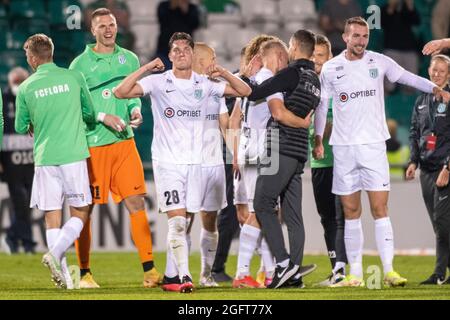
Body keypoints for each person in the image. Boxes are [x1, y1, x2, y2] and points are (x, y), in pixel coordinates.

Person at [314, 16, 450, 287]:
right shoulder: (330, 68)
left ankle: (389, 270)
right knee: (351, 212)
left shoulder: (379, 61)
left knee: (380, 208)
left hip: (374, 146)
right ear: (345, 37)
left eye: (365, 36)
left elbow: (408, 77)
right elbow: (321, 106)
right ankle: (355, 274)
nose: (361, 41)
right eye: (356, 36)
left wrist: (435, 88)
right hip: (343, 149)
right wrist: (318, 138)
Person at [113, 32, 251, 293]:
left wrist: (222, 71)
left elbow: (245, 90)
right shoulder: (157, 82)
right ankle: (185, 277)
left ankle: (177, 275)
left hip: (198, 164)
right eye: (174, 50)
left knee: (190, 220)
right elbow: (121, 92)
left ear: (191, 54)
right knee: (177, 222)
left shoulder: (206, 85)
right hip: (168, 163)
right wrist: (145, 68)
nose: (180, 54)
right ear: (170, 55)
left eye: (184, 50)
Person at [15, 33, 121, 289]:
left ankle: (64, 276)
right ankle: (55, 256)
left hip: (45, 157)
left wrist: (33, 124)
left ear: (32, 58)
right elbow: (88, 112)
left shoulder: (26, 87)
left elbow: (20, 127)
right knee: (81, 210)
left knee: (52, 214)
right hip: (73, 154)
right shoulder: (74, 77)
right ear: (51, 52)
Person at [69, 8, 162, 289]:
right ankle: (84, 272)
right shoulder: (79, 65)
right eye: (102, 26)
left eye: (112, 24)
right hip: (94, 145)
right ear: (92, 30)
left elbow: (134, 95)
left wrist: (136, 111)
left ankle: (150, 271)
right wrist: (102, 116)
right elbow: (76, 107)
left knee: (137, 204)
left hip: (124, 143)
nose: (109, 30)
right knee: (84, 210)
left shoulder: (130, 58)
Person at [241, 30, 321, 289]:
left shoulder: (290, 73)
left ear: (295, 45)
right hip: (300, 153)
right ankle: (293, 275)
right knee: (294, 215)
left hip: (281, 147)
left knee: (263, 204)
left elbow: (254, 94)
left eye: (290, 44)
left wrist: (241, 75)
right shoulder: (316, 79)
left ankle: (284, 263)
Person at [231, 35, 280, 289]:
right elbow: (277, 114)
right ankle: (243, 273)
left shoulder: (247, 83)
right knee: (260, 213)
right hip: (262, 152)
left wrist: (236, 153)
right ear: (262, 58)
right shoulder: (266, 81)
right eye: (276, 56)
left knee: (263, 213)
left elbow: (236, 120)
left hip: (250, 151)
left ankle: (270, 272)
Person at [406, 54, 450, 285]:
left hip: (445, 169)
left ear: (449, 74)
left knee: (442, 222)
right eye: (434, 70)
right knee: (438, 224)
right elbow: (415, 132)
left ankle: (439, 273)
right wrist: (413, 162)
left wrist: (448, 167)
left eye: (442, 71)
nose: (437, 74)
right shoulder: (422, 98)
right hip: (426, 169)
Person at [309, 35, 347, 286]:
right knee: (326, 217)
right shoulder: (308, 86)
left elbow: (334, 121)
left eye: (320, 56)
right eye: (312, 57)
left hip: (338, 160)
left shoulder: (337, 87)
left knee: (341, 216)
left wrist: (321, 137)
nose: (315, 62)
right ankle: (337, 270)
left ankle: (344, 270)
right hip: (318, 163)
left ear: (329, 58)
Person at [192, 42, 229, 287]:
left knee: (209, 219)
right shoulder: (177, 86)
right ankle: (178, 273)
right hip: (187, 162)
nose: (216, 62)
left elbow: (224, 124)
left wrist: (236, 154)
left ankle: (206, 275)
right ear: (201, 61)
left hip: (213, 163)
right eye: (213, 58)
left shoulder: (216, 88)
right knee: (182, 220)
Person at [211, 47, 247, 283]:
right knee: (231, 212)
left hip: (258, 151)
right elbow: (224, 122)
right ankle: (216, 268)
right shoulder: (231, 85)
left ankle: (268, 266)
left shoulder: (268, 82)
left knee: (262, 209)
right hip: (230, 153)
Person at [0, 67, 36, 254]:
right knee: (20, 204)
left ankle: (12, 237)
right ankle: (28, 243)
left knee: (28, 204)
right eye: (16, 82)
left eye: (22, 81)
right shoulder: (3, 101)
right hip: (11, 161)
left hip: (31, 161)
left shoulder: (33, 98)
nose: (19, 85)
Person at [156, 0, 200, 67]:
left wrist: (185, 10)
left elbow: (195, 24)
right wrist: (172, 7)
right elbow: (162, 19)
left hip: (184, 49)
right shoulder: (163, 6)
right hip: (164, 48)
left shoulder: (192, 8)